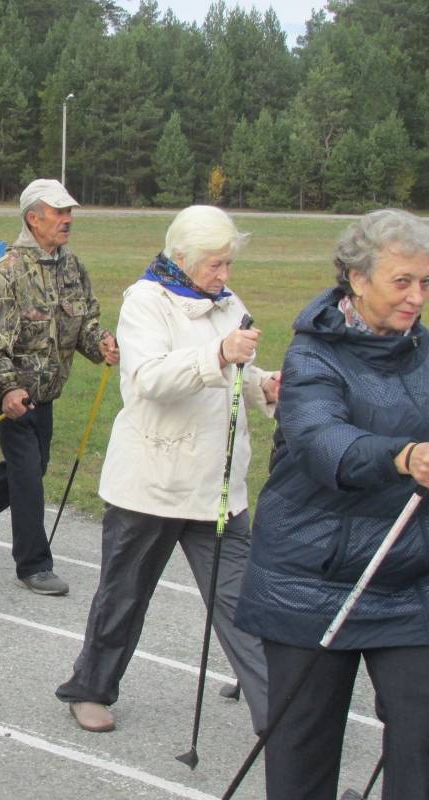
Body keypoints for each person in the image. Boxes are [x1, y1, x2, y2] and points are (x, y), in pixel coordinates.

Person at [55, 206, 277, 733]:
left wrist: (263, 383)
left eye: (227, 265)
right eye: (215, 265)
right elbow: (150, 378)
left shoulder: (226, 302)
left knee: (243, 600)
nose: (225, 276)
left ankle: (280, 714)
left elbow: (236, 367)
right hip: (149, 485)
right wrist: (220, 352)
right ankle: (90, 689)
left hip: (216, 487)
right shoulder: (145, 301)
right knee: (124, 595)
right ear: (183, 257)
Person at [234, 209, 429, 799]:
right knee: (303, 751)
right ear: (357, 278)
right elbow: (323, 443)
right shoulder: (312, 356)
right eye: (403, 281)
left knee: (421, 745)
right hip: (309, 582)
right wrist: (404, 457)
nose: (416, 297)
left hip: (405, 580)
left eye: (426, 283)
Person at [0, 179, 118, 596]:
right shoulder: (8, 272)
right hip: (9, 387)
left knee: (33, 467)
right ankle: (33, 565)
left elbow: (85, 324)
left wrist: (102, 343)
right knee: (28, 476)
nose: (67, 220)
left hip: (47, 391)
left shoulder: (73, 267)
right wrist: (6, 390)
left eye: (69, 212)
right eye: (58, 213)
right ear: (32, 218)